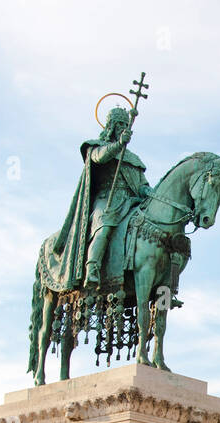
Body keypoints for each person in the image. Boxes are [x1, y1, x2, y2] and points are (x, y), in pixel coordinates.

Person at [51, 106, 153, 288]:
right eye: (119, 124)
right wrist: (119, 145)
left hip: (130, 202)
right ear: (111, 125)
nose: (123, 127)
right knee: (104, 227)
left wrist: (149, 193)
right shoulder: (97, 146)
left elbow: (142, 184)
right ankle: (93, 269)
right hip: (106, 200)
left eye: (125, 124)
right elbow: (100, 158)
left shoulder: (133, 157)